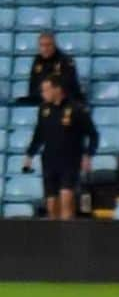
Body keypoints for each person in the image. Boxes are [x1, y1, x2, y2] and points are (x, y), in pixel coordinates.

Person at [23, 76, 98, 221]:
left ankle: (68, 240)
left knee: (66, 200)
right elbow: (39, 134)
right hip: (49, 162)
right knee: (51, 206)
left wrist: (88, 155)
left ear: (57, 89)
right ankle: (55, 240)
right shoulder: (44, 109)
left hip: (70, 162)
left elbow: (93, 135)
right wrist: (29, 156)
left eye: (46, 90)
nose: (43, 93)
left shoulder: (77, 109)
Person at [20, 31, 82, 106]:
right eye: (42, 45)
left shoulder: (65, 61)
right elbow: (33, 85)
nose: (45, 49)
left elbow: (67, 87)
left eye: (48, 45)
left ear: (54, 45)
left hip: (62, 101)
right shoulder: (37, 60)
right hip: (42, 99)